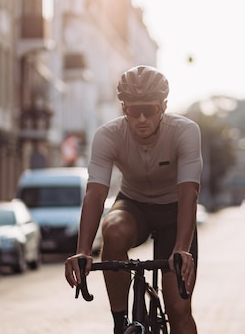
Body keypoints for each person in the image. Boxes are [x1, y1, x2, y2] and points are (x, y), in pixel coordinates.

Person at [64, 65, 202, 334]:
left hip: (174, 212)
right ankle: (120, 323)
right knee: (113, 230)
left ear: (163, 107)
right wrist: (83, 250)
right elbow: (95, 193)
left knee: (179, 310)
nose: (140, 118)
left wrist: (181, 248)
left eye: (148, 110)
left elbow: (189, 192)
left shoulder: (185, 131)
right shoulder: (108, 135)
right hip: (133, 204)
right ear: (123, 107)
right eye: (132, 110)